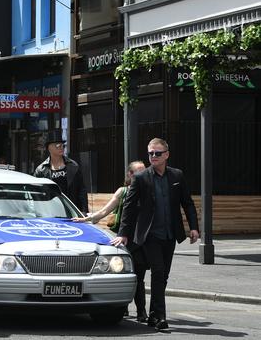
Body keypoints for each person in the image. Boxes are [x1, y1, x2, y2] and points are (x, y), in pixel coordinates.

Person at [111, 138, 199, 331]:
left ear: (166, 154)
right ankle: (159, 317)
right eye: (150, 153)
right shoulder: (141, 178)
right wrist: (124, 233)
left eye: (157, 153)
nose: (153, 156)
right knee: (158, 272)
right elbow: (129, 206)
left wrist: (194, 227)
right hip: (149, 235)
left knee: (163, 276)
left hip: (170, 234)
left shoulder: (177, 175)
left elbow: (188, 203)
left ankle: (152, 315)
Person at [73, 160, 148, 322]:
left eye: (145, 171)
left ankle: (135, 309)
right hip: (126, 238)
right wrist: (87, 219)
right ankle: (132, 309)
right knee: (130, 274)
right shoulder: (123, 191)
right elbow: (106, 210)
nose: (143, 175)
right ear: (130, 175)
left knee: (140, 274)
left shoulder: (149, 189)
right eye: (139, 172)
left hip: (143, 239)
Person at [33, 129, 88, 213]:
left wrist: (84, 211)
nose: (61, 148)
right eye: (57, 145)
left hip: (71, 212)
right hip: (50, 212)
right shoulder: (41, 170)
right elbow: (36, 194)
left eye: (63, 145)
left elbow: (81, 190)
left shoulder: (73, 166)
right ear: (49, 148)